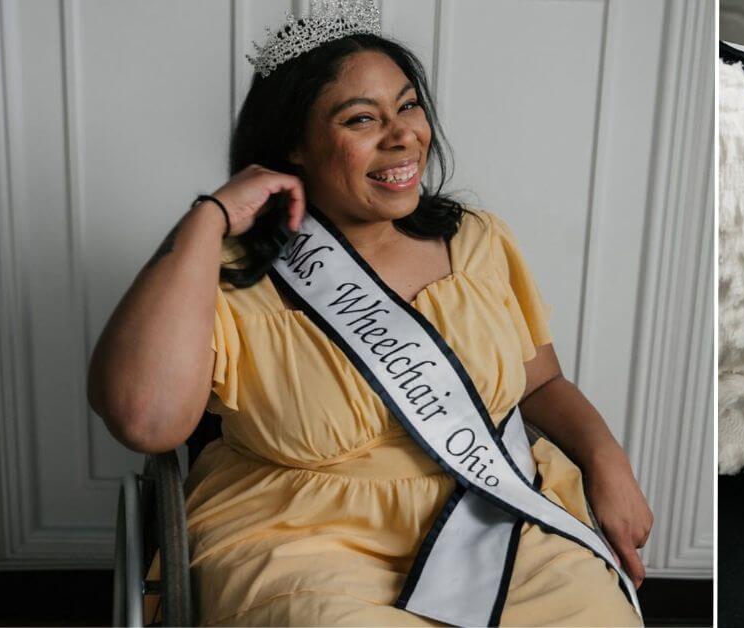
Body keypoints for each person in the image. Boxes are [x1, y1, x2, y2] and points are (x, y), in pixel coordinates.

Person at [87, 13, 650, 626]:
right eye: (361, 119)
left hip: (495, 508)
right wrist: (209, 219)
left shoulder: (476, 241)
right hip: (297, 537)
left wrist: (607, 463)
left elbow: (541, 383)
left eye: (407, 107)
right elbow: (144, 422)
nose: (402, 135)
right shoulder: (225, 275)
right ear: (292, 144)